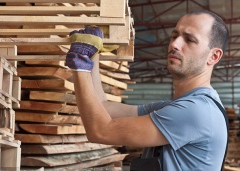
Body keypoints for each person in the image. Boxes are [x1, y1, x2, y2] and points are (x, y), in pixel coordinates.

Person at [65, 9, 229, 171]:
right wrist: (93, 52)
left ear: (213, 56)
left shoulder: (196, 111)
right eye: (174, 36)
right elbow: (103, 107)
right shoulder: (176, 108)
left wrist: (81, 65)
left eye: (190, 39)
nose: (174, 44)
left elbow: (100, 131)